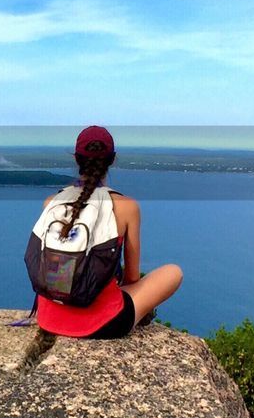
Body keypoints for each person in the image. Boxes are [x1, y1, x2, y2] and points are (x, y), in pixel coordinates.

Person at [34, 126, 182, 339]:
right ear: (112, 160)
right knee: (173, 272)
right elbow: (132, 277)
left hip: (50, 318)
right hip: (103, 323)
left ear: (77, 159)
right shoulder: (127, 207)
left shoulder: (51, 203)